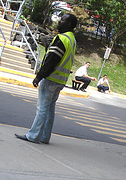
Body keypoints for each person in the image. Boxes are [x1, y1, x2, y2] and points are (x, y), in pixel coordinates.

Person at [15, 13, 77, 144]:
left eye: (62, 21)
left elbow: (51, 60)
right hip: (61, 80)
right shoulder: (72, 39)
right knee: (49, 109)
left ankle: (33, 136)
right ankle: (44, 137)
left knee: (42, 108)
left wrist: (39, 76)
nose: (59, 22)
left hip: (51, 78)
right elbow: (59, 57)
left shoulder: (62, 38)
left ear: (69, 24)